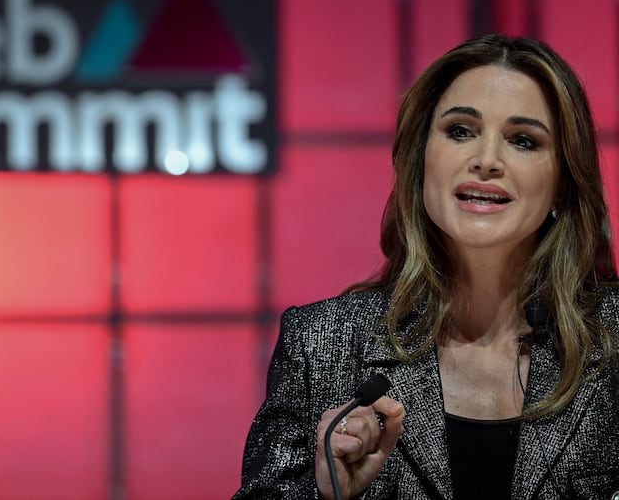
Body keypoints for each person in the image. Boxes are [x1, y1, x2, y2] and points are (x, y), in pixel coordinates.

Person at [232, 34, 619, 499]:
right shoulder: (323, 344)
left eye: (523, 140)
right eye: (460, 131)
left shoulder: (612, 342)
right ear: (421, 162)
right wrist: (325, 493)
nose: (486, 161)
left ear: (562, 182)